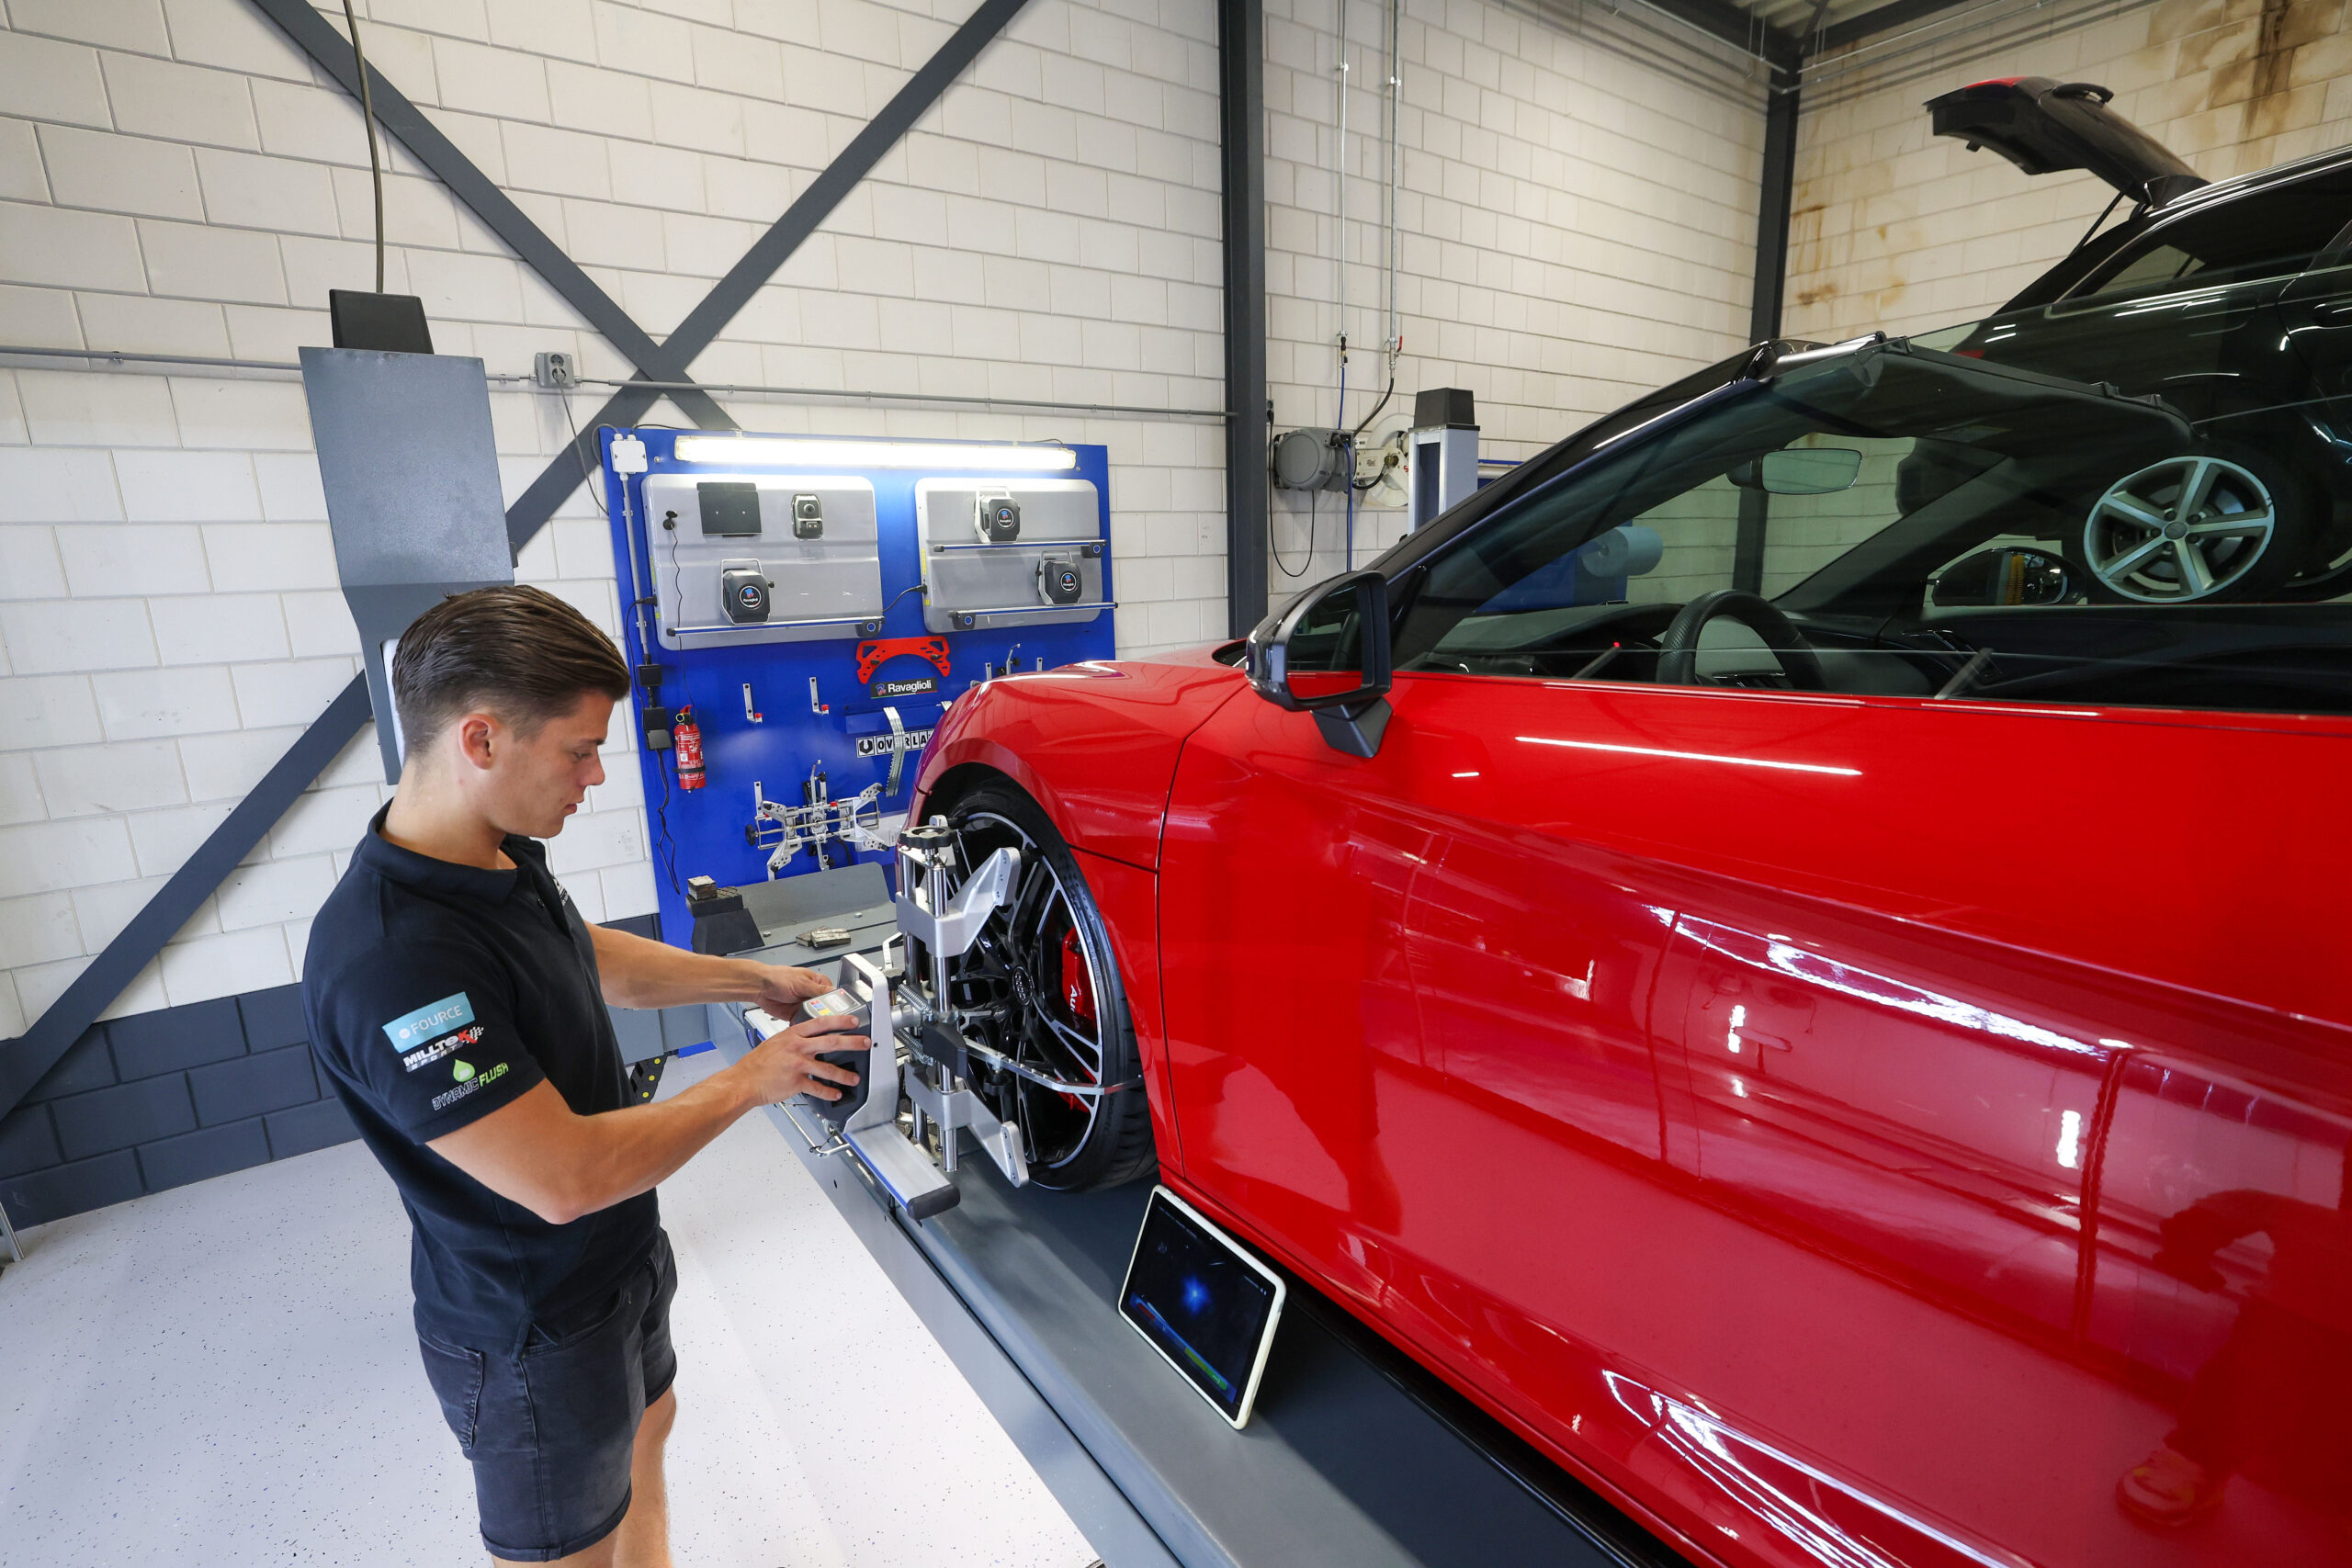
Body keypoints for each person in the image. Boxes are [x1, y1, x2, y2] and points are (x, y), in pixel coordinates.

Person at [302, 585, 863, 1567]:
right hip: (530, 1328)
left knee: (650, 1434)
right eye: (578, 749)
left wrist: (753, 977)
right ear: (481, 740)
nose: (597, 775)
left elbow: (583, 953)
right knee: (574, 1550)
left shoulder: (493, 852)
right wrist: (752, 1080)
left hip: (617, 1267)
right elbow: (562, 1179)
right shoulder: (396, 960)